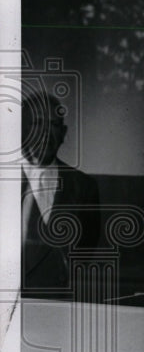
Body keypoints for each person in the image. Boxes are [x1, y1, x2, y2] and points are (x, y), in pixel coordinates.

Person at [21, 90, 101, 294]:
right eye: (37, 123)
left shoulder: (83, 187)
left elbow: (84, 252)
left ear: (63, 133)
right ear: (19, 128)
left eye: (54, 125)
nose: (46, 132)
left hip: (54, 305)